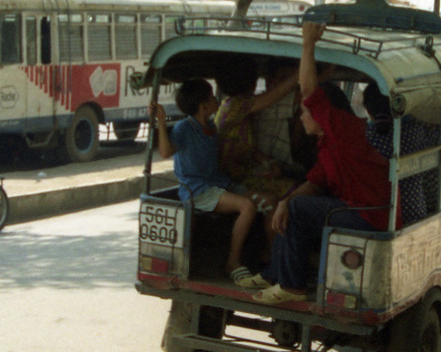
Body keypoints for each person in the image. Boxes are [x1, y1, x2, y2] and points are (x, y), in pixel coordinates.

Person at [251, 22, 393, 305]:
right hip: (356, 209)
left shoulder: (343, 129)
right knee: (291, 203)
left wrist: (308, 44)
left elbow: (308, 91)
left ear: (323, 114)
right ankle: (274, 274)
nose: (301, 117)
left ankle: (292, 286)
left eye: (305, 112)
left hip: (371, 215)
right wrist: (285, 201)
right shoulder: (327, 143)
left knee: (298, 208)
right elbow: (315, 181)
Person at [149, 79, 273, 287]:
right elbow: (165, 151)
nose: (216, 100)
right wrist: (161, 121)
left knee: (270, 201)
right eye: (211, 98)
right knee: (247, 206)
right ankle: (233, 262)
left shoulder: (211, 127)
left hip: (218, 184)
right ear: (203, 105)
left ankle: (270, 255)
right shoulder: (184, 128)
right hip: (198, 191)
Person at [362, 83, 441, 224]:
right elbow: (437, 137)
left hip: (379, 212)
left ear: (369, 111)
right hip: (413, 210)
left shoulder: (366, 137)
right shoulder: (413, 131)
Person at [214, 59, 300, 201]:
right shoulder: (234, 106)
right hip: (232, 179)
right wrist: (298, 73)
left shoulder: (241, 110)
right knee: (294, 191)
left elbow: (248, 149)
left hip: (245, 172)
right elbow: (275, 95)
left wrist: (269, 163)